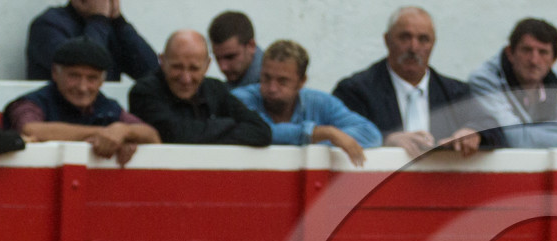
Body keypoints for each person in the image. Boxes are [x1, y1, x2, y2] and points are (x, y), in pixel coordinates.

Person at [332, 7, 498, 160]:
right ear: (387, 40)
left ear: (433, 44)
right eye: (405, 37)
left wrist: (474, 133)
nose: (413, 47)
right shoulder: (356, 91)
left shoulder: (455, 93)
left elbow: (495, 130)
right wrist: (386, 139)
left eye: (423, 39)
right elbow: (336, 134)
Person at [468, 18, 557, 167]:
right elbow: (515, 139)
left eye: (543, 52)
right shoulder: (484, 80)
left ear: (554, 59)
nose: (534, 60)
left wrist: (528, 132)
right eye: (526, 50)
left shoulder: (555, 81)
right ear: (510, 53)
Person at [4, 38, 159, 165]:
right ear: (55, 73)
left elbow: (152, 136)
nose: (82, 87)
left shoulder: (108, 107)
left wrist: (123, 131)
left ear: (102, 81)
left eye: (92, 78)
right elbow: (30, 130)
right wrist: (104, 133)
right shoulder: (31, 103)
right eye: (74, 76)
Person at [233, 39, 381, 166]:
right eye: (266, 78)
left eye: (282, 81)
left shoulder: (320, 102)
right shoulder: (241, 99)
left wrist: (320, 142)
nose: (272, 88)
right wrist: (320, 133)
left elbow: (370, 135)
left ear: (302, 81)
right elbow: (259, 132)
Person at [129, 30, 271, 146]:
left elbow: (261, 131)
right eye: (177, 67)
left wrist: (203, 134)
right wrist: (226, 124)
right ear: (162, 61)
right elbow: (175, 136)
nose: (186, 78)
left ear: (207, 65)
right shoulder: (144, 92)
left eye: (194, 68)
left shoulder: (216, 89)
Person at [26, 0, 157, 81]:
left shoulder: (112, 27)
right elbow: (85, 66)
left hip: (104, 110)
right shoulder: (48, 25)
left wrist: (119, 21)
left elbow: (152, 73)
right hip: (58, 111)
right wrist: (98, 19)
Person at [208, 10, 262, 88]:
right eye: (217, 58)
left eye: (230, 57)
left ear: (251, 46)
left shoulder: (271, 90)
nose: (223, 67)